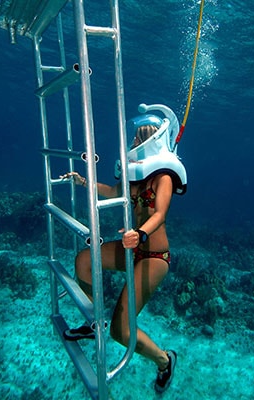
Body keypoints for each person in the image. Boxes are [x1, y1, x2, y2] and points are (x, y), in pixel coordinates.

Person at [60, 109, 185, 393]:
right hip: (132, 246)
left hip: (154, 256)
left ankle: (165, 361)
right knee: (84, 260)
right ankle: (93, 323)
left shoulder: (164, 177)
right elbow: (112, 191)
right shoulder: (135, 175)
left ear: (154, 140)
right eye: (136, 136)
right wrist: (83, 182)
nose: (135, 140)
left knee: (121, 330)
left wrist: (140, 234)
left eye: (141, 136)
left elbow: (160, 214)